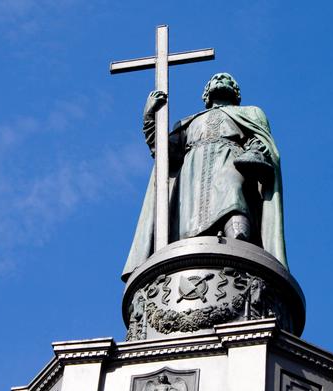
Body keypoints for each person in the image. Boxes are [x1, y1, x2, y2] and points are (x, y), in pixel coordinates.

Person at [122, 73, 287, 281]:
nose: (220, 80)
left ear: (235, 91)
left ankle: (239, 267)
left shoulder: (250, 113)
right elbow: (164, 154)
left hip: (231, 164)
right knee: (187, 230)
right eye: (215, 79)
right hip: (191, 178)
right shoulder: (188, 122)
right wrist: (150, 117)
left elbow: (262, 143)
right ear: (206, 93)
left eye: (226, 79)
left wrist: (256, 152)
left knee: (235, 207)